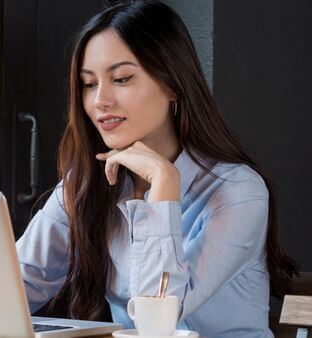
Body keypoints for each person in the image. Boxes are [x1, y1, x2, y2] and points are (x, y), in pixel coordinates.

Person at [15, 1, 299, 337]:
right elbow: (17, 284)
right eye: (89, 84)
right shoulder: (85, 185)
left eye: (121, 78)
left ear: (173, 84)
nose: (99, 101)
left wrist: (163, 184)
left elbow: (158, 320)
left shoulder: (238, 192)